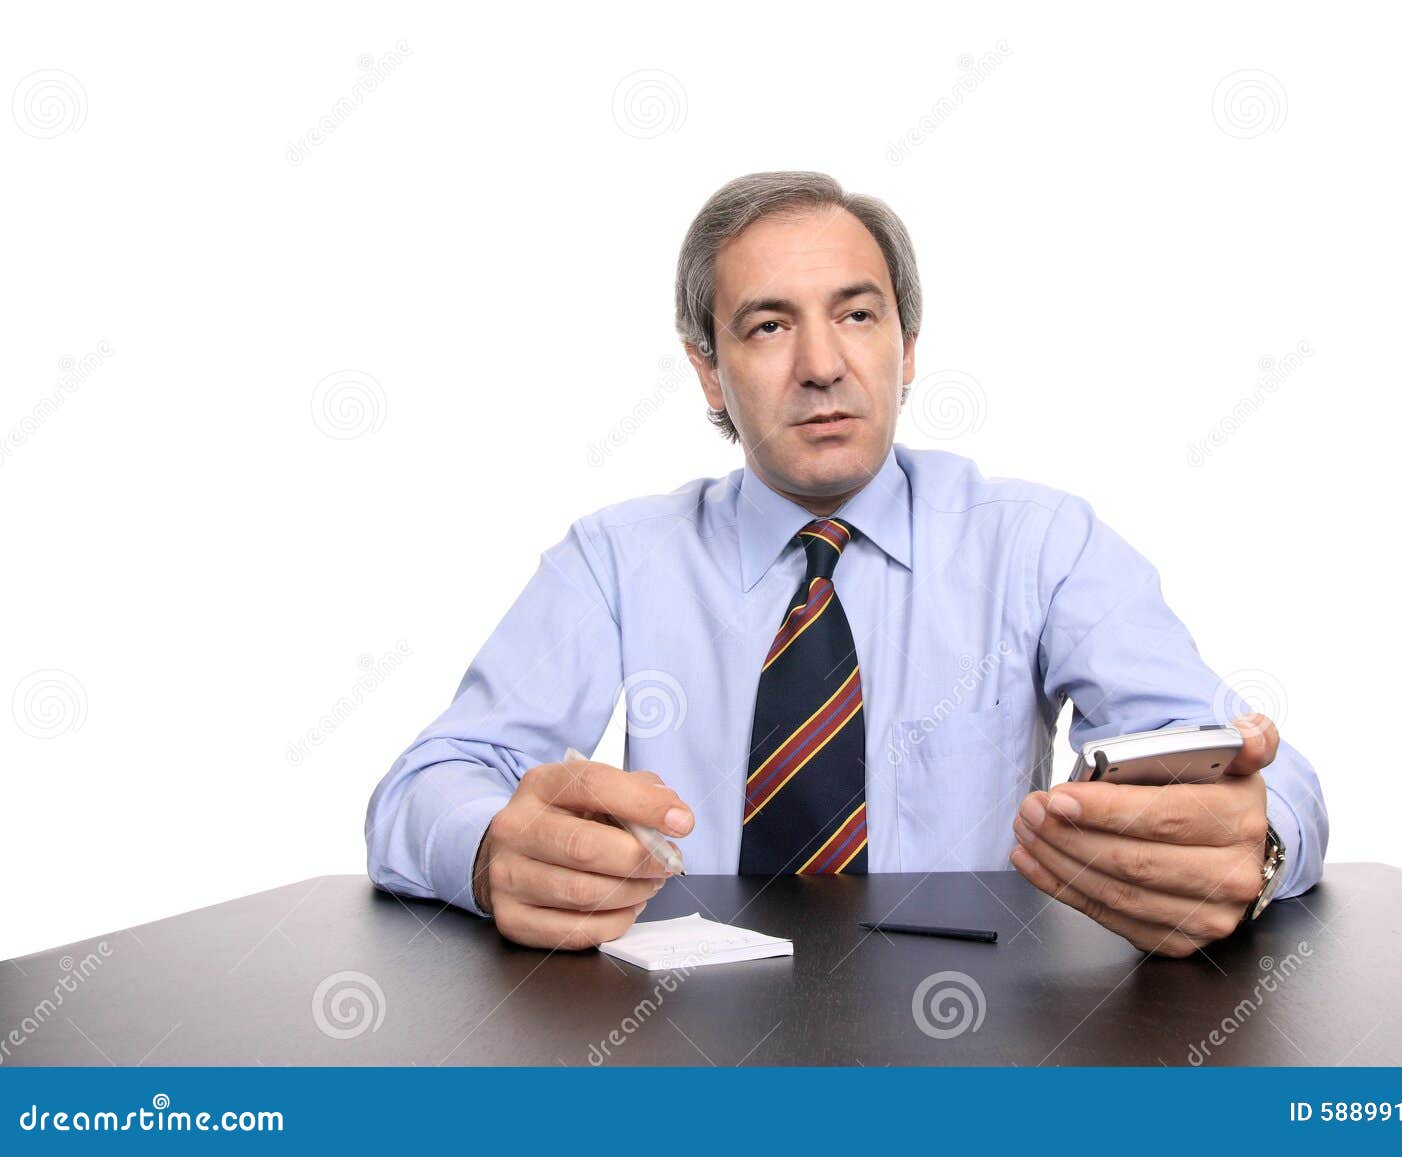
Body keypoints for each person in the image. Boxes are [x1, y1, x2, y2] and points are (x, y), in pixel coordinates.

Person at [364, 171, 1328, 957]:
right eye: (770, 325)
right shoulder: (614, 561)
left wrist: (1258, 843)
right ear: (708, 367)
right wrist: (493, 852)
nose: (822, 364)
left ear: (909, 346)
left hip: (975, 1047)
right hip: (691, 1050)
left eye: (858, 316)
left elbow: (1237, 766)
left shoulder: (1042, 544)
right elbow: (424, 785)